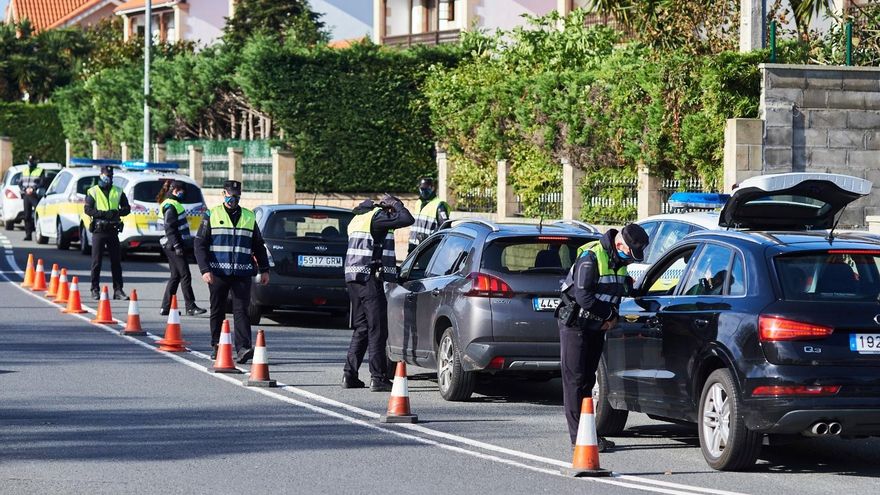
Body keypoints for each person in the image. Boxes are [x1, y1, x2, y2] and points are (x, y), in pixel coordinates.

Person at [555, 224, 649, 452]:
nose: (630, 260)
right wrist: (609, 315)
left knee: (587, 381)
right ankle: (578, 438)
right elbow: (583, 296)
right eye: (629, 254)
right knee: (575, 382)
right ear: (619, 245)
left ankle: (589, 435)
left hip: (596, 326)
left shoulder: (619, 261)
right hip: (576, 325)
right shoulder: (591, 257)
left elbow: (620, 289)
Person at [343, 194, 414, 391]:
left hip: (353, 280)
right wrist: (396, 204)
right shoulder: (376, 218)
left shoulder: (357, 220)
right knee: (377, 329)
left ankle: (349, 375)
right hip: (369, 280)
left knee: (362, 328)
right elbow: (407, 219)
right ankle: (378, 377)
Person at [194, 180, 270, 363]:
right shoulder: (211, 214)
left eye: (236, 196)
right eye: (229, 195)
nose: (232, 199)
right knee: (218, 310)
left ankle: (243, 348)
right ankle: (217, 345)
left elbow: (258, 246)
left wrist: (264, 269)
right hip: (217, 272)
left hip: (242, 273)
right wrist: (205, 269)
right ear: (223, 194)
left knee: (241, 311)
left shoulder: (249, 216)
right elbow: (200, 244)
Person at [158, 180, 206, 317]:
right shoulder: (170, 206)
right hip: (173, 245)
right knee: (185, 275)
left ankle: (165, 307)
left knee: (175, 276)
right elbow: (170, 227)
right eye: (182, 191)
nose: (183, 193)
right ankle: (190, 307)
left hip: (171, 245)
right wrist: (177, 246)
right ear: (175, 190)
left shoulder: (172, 203)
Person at [84, 165, 130, 300]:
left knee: (116, 262)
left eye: (110, 176)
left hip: (113, 230)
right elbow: (87, 210)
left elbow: (127, 208)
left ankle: (118, 290)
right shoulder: (93, 191)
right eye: (106, 176)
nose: (108, 178)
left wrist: (116, 213)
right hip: (99, 230)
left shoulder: (118, 191)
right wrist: (103, 214)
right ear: (101, 175)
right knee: (96, 262)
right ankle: (95, 289)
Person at [407, 177, 450, 254]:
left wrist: (429, 238)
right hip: (413, 246)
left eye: (427, 188)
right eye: (422, 188)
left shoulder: (439, 205)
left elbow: (445, 226)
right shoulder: (418, 203)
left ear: (433, 188)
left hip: (429, 248)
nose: (424, 191)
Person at [19, 155, 45, 241]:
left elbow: (42, 182)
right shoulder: (24, 170)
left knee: (39, 214)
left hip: (35, 195)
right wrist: (24, 189)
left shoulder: (40, 170)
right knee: (27, 216)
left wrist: (33, 188)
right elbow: (20, 183)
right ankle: (28, 234)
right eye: (29, 161)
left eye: (32, 161)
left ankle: (41, 233)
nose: (30, 163)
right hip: (26, 195)